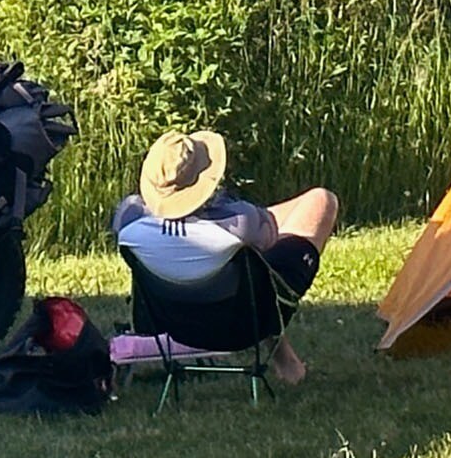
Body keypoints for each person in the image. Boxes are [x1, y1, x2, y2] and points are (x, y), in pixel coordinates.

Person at [113, 128, 338, 385]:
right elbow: (269, 234)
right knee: (321, 200)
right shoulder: (239, 223)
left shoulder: (129, 224)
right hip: (242, 323)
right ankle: (286, 363)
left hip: (172, 323)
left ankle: (287, 362)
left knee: (248, 271)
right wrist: (221, 206)